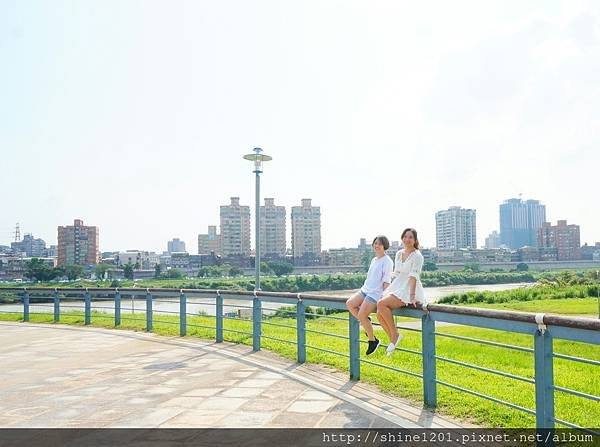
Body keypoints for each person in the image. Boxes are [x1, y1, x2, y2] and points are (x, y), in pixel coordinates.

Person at [377, 228, 426, 357]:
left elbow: (414, 276)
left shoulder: (417, 256)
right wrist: (387, 288)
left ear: (415, 240)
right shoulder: (399, 253)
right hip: (397, 285)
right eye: (405, 236)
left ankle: (395, 337)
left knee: (381, 305)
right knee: (379, 313)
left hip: (409, 287)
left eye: (410, 237)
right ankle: (393, 338)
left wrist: (412, 296)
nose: (407, 239)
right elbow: (396, 274)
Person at [345, 236, 393, 356]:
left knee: (361, 314)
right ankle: (367, 321)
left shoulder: (387, 261)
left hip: (376, 293)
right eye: (375, 243)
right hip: (365, 290)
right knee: (350, 304)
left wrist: (384, 297)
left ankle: (373, 340)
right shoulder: (374, 260)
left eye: (380, 244)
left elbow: (387, 281)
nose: (376, 246)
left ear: (384, 246)